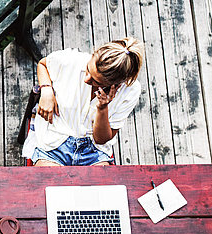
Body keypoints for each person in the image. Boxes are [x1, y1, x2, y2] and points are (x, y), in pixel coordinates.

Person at [22, 37, 144, 166]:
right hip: (54, 141)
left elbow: (101, 140)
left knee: (103, 186)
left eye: (97, 82)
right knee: (49, 184)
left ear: (117, 84)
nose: (86, 79)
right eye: (88, 69)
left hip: (94, 151)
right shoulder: (72, 60)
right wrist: (46, 90)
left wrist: (102, 108)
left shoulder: (131, 91)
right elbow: (43, 64)